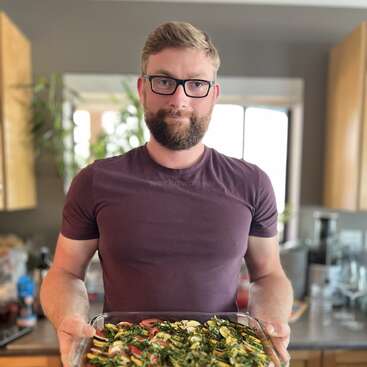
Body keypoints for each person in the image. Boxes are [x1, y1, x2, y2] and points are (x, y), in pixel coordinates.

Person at [41, 21, 293, 367]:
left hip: (218, 357)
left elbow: (268, 275)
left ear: (214, 95)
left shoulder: (251, 183)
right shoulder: (95, 181)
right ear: (143, 89)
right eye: (164, 81)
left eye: (196, 84)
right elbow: (65, 273)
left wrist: (270, 324)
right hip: (125, 356)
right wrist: (69, 321)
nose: (179, 99)